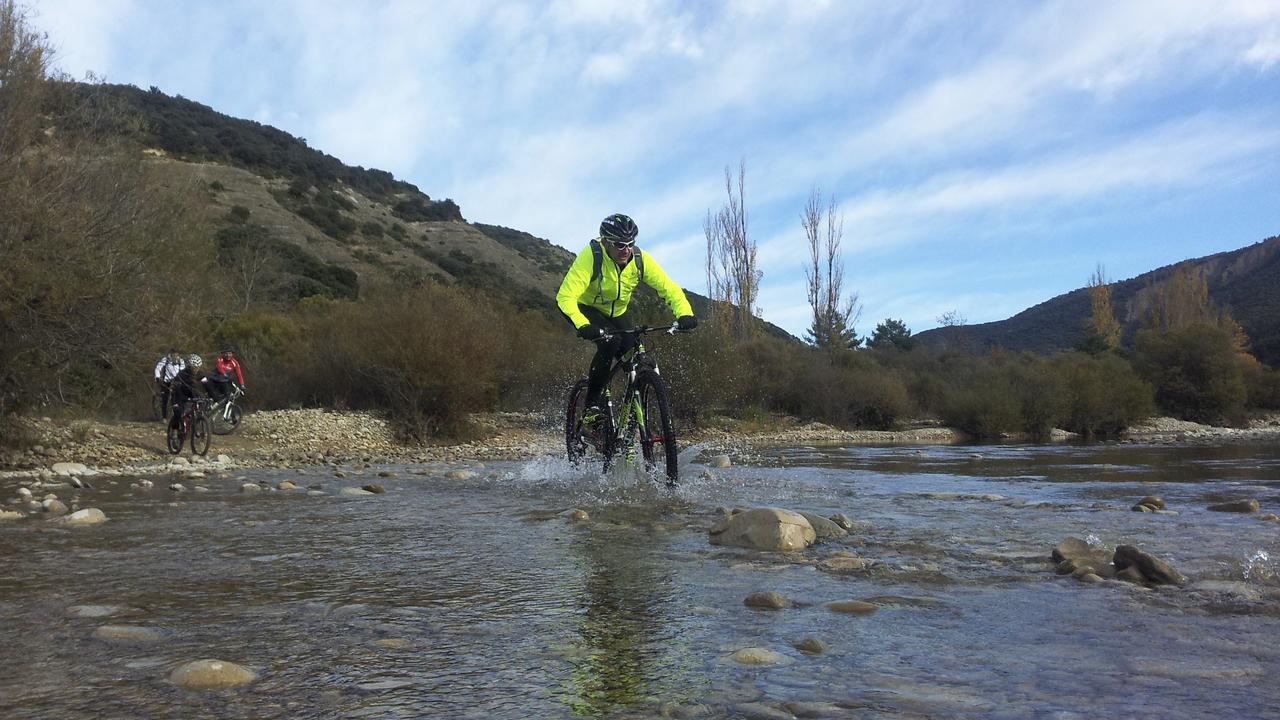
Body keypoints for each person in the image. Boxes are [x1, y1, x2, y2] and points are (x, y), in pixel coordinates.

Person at [556, 213, 697, 423]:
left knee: (634, 352)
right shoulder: (591, 256)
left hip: (618, 313)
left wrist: (684, 313)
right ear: (605, 242)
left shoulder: (639, 259)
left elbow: (669, 288)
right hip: (587, 308)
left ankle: (630, 413)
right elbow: (565, 297)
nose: (626, 250)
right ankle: (592, 407)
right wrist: (583, 325)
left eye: (630, 244)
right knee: (611, 342)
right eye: (619, 245)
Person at [168, 353, 205, 431]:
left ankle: (195, 424)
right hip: (178, 394)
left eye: (198, 367)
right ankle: (174, 431)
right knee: (178, 412)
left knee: (201, 406)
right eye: (194, 367)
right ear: (189, 366)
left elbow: (206, 384)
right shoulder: (182, 374)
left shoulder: (200, 374)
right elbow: (176, 388)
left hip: (191, 394)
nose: (196, 369)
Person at [153, 348, 185, 420]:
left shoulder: (181, 361)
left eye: (177, 355)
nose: (175, 356)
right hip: (166, 381)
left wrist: (182, 380)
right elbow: (158, 368)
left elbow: (183, 371)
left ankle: (177, 415)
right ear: (171, 354)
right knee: (165, 399)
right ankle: (164, 417)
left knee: (177, 398)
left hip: (176, 381)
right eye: (174, 354)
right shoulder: (165, 360)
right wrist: (157, 377)